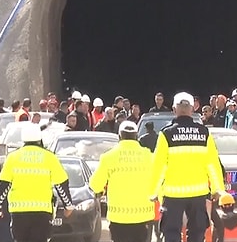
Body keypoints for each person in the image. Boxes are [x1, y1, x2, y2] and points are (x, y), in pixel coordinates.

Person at [150, 92, 225, 242]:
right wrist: (218, 189)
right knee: (197, 234)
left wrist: (154, 193)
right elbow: (212, 164)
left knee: (171, 234)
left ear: (174, 109)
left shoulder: (166, 134)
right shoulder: (204, 133)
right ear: (192, 109)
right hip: (198, 194)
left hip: (173, 195)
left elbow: (158, 166)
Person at [0, 124, 74, 242]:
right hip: (42, 213)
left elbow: (4, 185)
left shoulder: (13, 158)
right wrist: (68, 205)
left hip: (19, 213)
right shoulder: (49, 157)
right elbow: (61, 183)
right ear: (39, 138)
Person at [90, 121, 154, 242]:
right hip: (144, 216)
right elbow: (159, 180)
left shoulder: (108, 157)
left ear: (119, 136)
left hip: (118, 217)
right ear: (136, 136)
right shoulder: (149, 156)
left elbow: (95, 185)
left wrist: (100, 191)